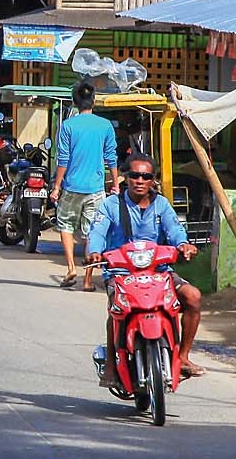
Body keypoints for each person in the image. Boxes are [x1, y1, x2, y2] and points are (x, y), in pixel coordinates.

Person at [86, 153, 204, 376]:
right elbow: (98, 232)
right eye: (135, 175)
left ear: (153, 180)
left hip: (158, 272)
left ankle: (183, 357)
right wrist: (94, 252)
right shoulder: (110, 205)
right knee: (116, 309)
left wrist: (183, 245)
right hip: (121, 273)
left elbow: (175, 229)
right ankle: (111, 363)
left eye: (146, 176)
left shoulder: (162, 205)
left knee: (193, 297)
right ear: (125, 177)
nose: (140, 181)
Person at [49, 80, 117, 289]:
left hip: (71, 187)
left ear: (74, 102)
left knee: (66, 226)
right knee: (92, 233)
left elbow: (63, 159)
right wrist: (115, 183)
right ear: (93, 101)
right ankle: (87, 280)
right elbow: (111, 157)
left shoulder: (68, 126)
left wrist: (57, 187)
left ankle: (71, 268)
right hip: (96, 189)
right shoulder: (105, 125)